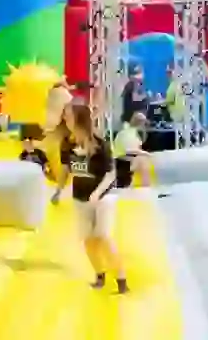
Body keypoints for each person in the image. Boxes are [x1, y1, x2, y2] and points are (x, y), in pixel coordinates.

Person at [52, 104, 128, 294]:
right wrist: (58, 190)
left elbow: (111, 174)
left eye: (68, 116)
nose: (65, 119)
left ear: (79, 119)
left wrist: (98, 193)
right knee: (88, 240)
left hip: (104, 195)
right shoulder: (67, 144)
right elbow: (65, 169)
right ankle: (99, 275)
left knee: (103, 235)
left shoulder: (100, 143)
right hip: (80, 197)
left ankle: (121, 280)